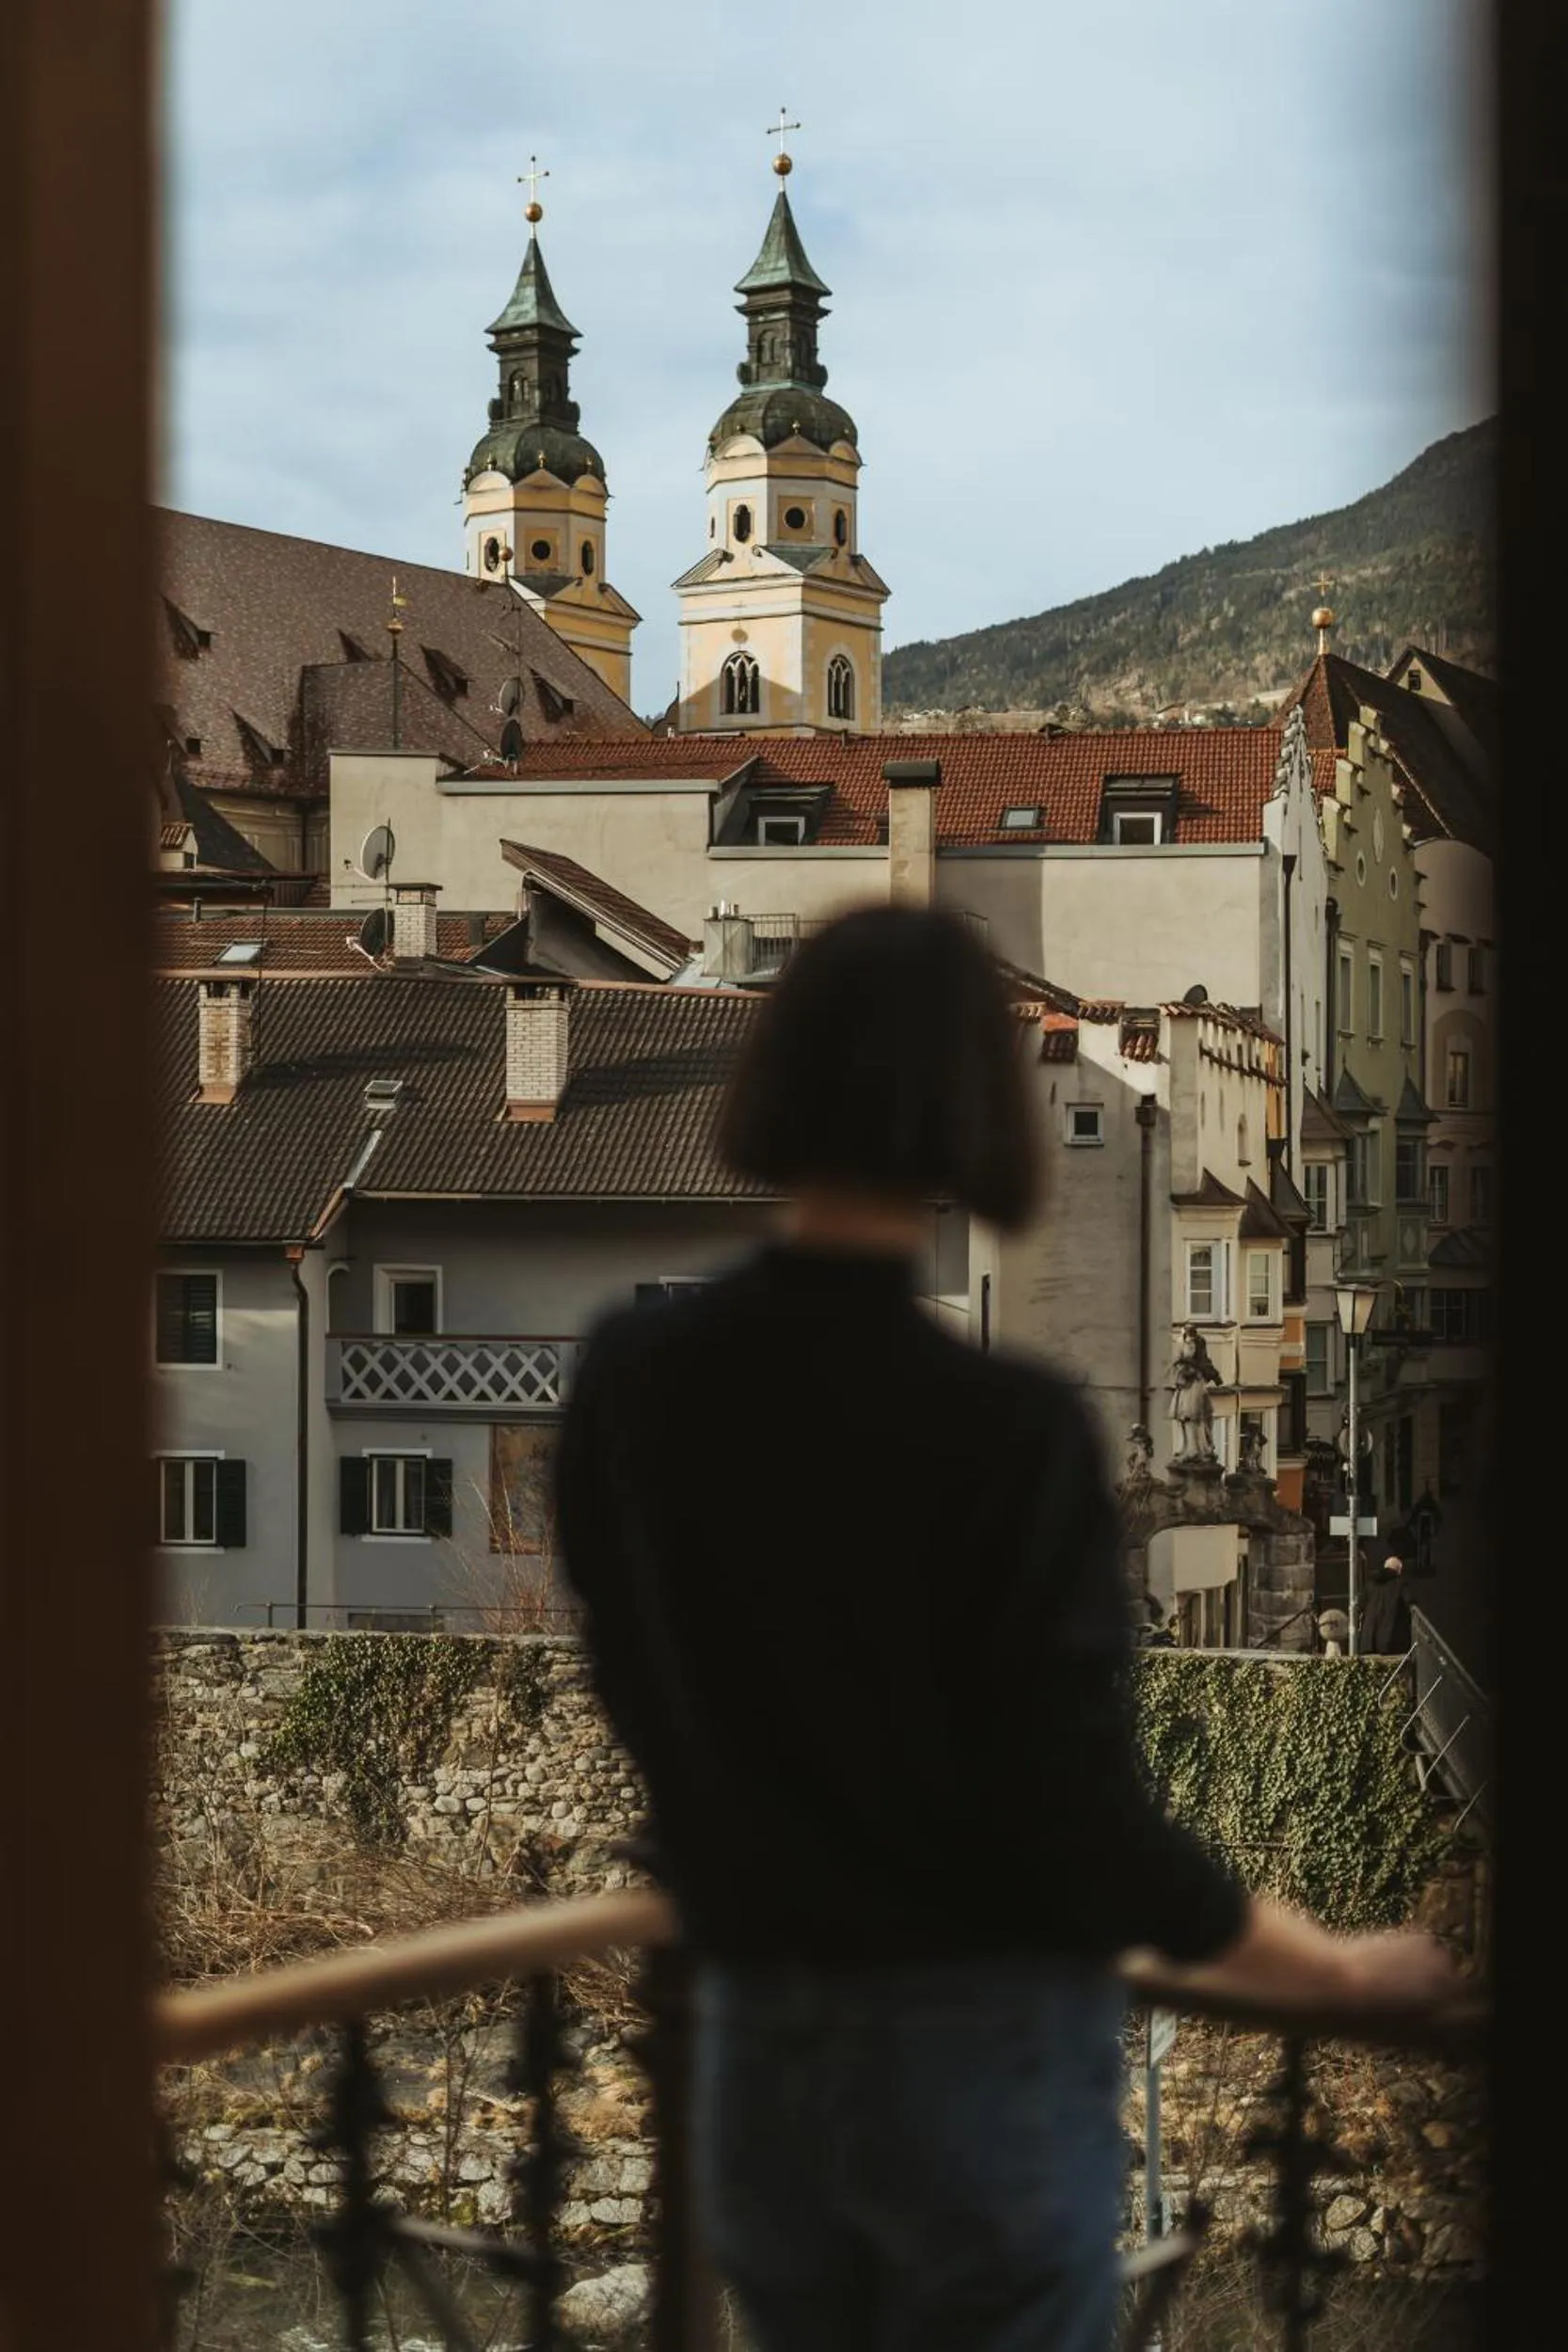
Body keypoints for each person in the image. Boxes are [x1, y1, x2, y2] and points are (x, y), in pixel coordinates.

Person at [554, 906, 1453, 2352]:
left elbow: (645, 1694)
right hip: (966, 2058)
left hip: (756, 2049)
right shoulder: (1006, 1428)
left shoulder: (632, 1378)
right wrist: (1338, 1974)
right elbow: (1076, 1817)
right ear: (980, 1112)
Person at [1360, 1554, 1414, 1655]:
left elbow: (1361, 1604)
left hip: (1369, 1640)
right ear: (1398, 1570)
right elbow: (1410, 1601)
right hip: (1390, 1641)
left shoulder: (1371, 1583)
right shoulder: (1400, 1583)